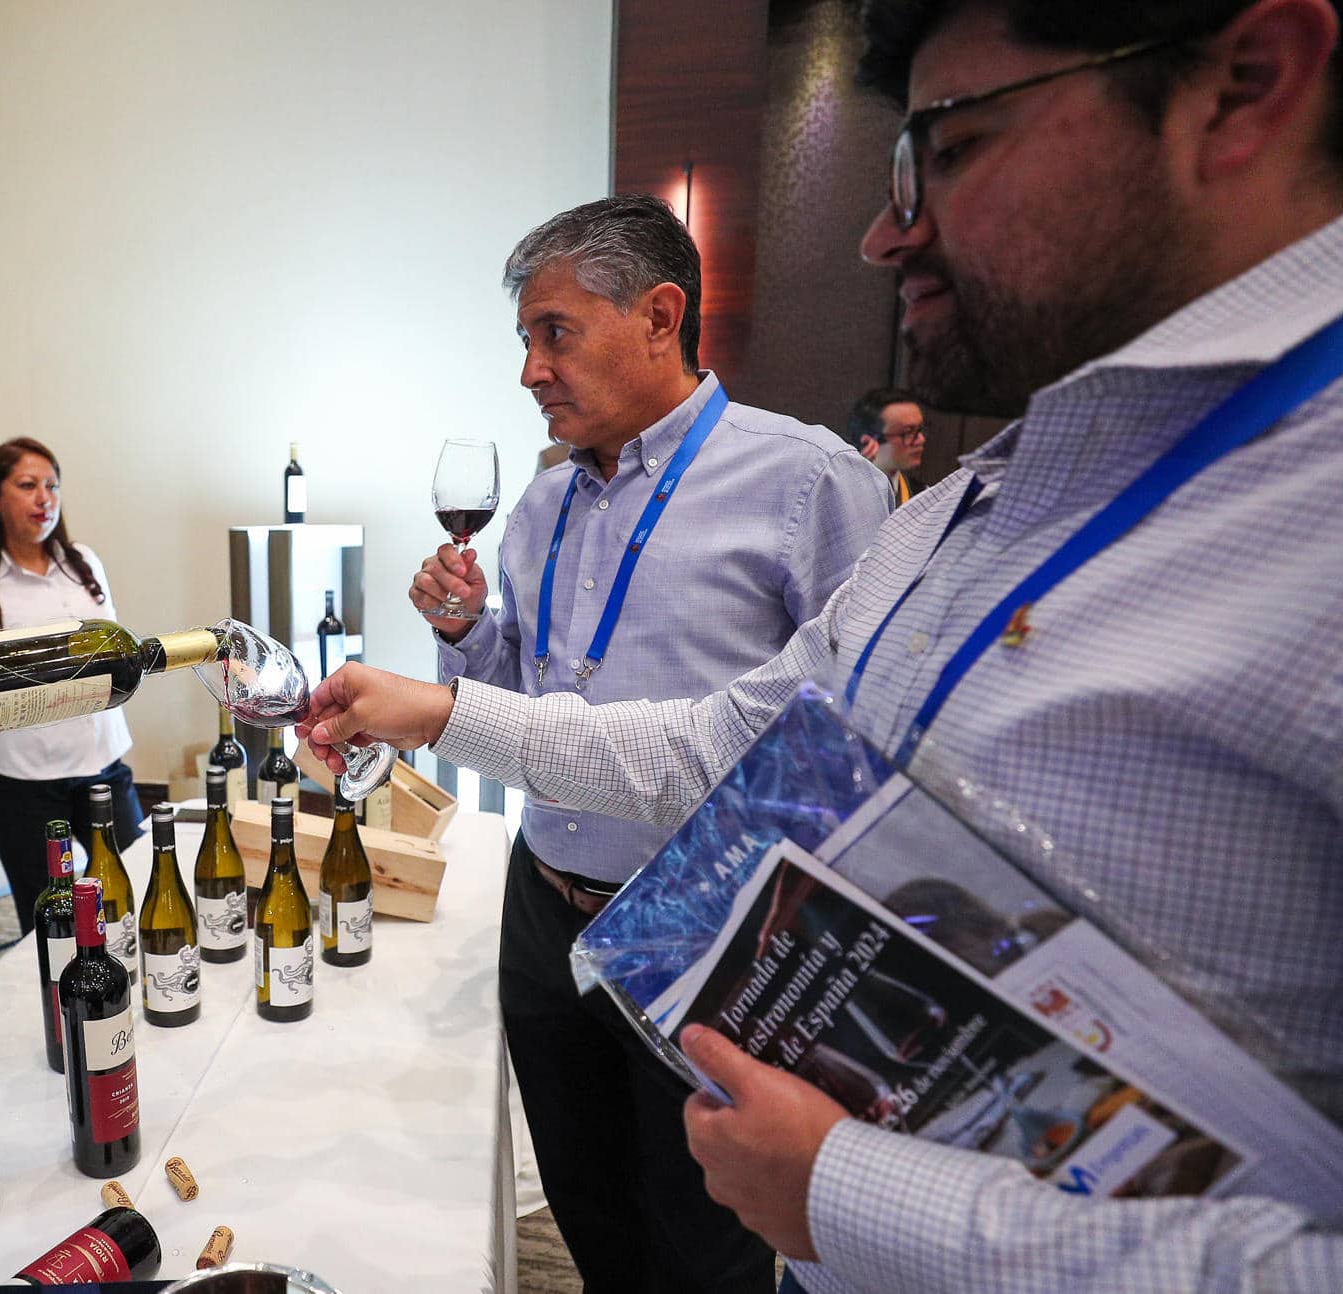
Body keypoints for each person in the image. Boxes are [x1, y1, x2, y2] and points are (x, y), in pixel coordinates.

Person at [299, 0, 1343, 1289]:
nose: (884, 229)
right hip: (625, 943)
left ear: (1245, 85)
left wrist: (853, 1193)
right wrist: (444, 696)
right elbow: (730, 752)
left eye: (948, 150)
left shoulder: (822, 485)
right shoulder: (973, 511)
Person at [411, 194, 888, 1294]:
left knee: (705, 1236)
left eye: (554, 333)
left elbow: (854, 732)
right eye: (524, 341)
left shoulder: (808, 482)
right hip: (545, 906)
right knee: (588, 1201)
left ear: (661, 314)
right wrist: (460, 635)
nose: (530, 369)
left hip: (707, 927)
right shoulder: (539, 504)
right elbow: (515, 703)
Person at [0, 436, 145, 932]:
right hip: (21, 776)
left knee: (135, 889)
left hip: (100, 758)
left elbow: (115, 653)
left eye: (52, 486)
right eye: (27, 485)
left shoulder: (82, 561)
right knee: (52, 918)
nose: (45, 499)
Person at [843, 386, 927, 506]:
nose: (921, 440)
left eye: (920, 430)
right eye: (908, 432)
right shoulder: (842, 494)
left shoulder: (922, 495)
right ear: (868, 441)